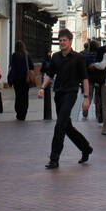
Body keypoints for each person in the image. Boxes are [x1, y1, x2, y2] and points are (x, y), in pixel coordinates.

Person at [38, 29, 93, 168]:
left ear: (70, 41)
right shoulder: (55, 57)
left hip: (71, 93)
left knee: (59, 125)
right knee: (66, 126)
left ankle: (54, 158)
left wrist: (86, 97)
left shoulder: (78, 58)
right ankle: (85, 147)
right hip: (59, 94)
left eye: (64, 40)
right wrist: (42, 88)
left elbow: (85, 78)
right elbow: (50, 75)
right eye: (60, 40)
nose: (62, 42)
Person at [8, 41, 33, 121]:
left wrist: (10, 80)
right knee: (25, 96)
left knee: (18, 96)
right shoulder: (27, 55)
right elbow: (31, 66)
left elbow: (12, 68)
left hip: (16, 80)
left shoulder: (14, 56)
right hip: (26, 80)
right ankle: (23, 113)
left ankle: (18, 112)